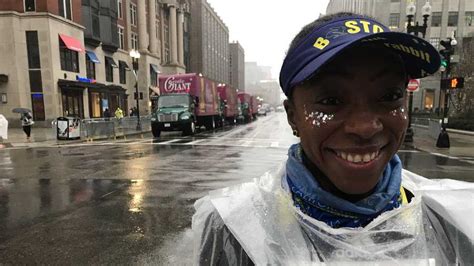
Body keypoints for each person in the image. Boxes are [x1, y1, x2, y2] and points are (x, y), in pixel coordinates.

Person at [192, 12, 474, 265]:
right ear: (293, 117)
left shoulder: (448, 223)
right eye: (331, 100)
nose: (365, 127)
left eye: (389, 96)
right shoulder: (234, 230)